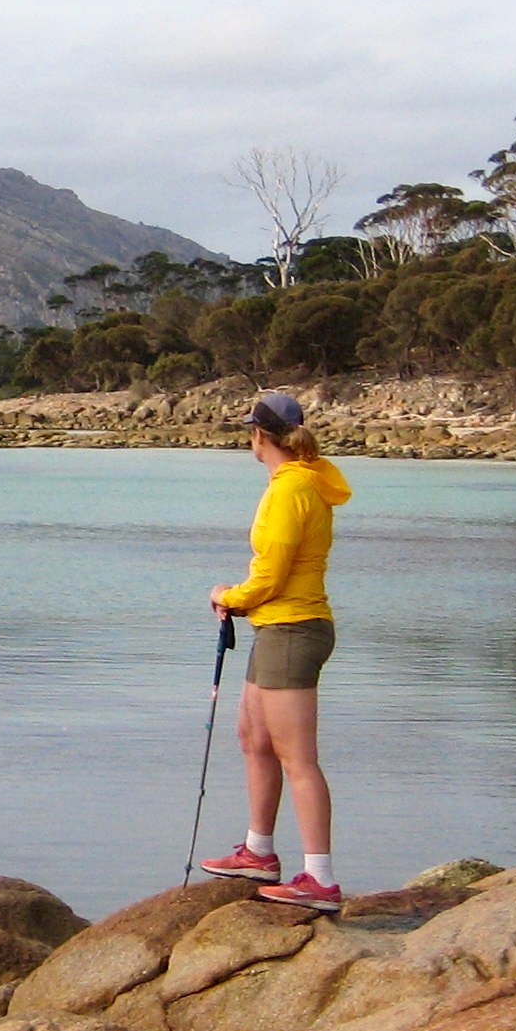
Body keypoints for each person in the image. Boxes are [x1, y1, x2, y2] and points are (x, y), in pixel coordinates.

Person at [200, 391, 352, 912]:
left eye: (249, 432)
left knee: (298, 758)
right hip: (277, 628)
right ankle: (259, 852)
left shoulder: (292, 491)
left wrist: (229, 597)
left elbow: (272, 573)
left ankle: (320, 879)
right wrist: (245, 603)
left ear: (259, 436)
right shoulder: (295, 483)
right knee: (253, 737)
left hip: (294, 630)